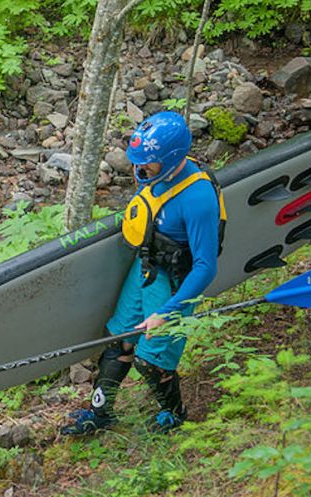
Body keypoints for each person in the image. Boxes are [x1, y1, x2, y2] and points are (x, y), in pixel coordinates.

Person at [61, 111, 225, 436]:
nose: (139, 169)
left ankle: (174, 413)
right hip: (146, 268)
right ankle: (101, 412)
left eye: (147, 163)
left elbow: (206, 267)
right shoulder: (157, 175)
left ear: (172, 158)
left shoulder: (198, 199)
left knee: (151, 360)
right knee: (119, 340)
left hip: (174, 283)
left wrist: (167, 312)